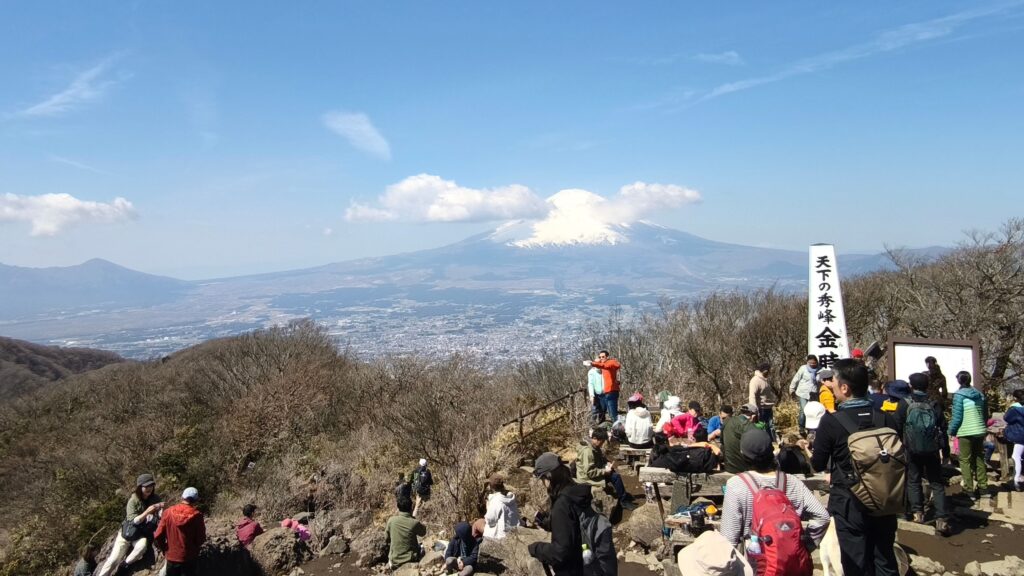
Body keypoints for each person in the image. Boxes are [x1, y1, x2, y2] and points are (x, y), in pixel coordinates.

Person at [811, 359, 901, 576]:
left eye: (833, 381)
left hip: (850, 500)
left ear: (845, 387)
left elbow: (818, 463)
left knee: (855, 562)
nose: (830, 385)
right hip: (885, 498)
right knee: (885, 558)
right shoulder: (885, 418)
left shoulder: (832, 422)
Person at [721, 429, 829, 567]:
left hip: (756, 565)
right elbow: (823, 517)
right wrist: (805, 545)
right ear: (772, 451)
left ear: (742, 454)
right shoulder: (791, 481)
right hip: (792, 563)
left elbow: (729, 538)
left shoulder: (736, 485)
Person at [897, 373, 950, 535]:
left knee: (913, 480)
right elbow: (943, 427)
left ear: (911, 385)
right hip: (932, 449)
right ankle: (941, 519)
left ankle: (917, 514)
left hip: (911, 448)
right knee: (937, 482)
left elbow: (898, 426)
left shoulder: (905, 403)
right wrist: (945, 451)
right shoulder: (934, 404)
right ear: (927, 386)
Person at [528, 452, 590, 576]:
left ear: (549, 477)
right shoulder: (577, 492)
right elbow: (573, 525)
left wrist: (537, 548)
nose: (542, 483)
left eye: (543, 479)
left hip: (572, 568)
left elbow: (560, 552)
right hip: (585, 556)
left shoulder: (562, 504)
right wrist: (549, 523)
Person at [97, 473, 164, 576]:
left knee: (141, 547)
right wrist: (147, 512)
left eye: (151, 486)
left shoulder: (155, 498)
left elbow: (160, 513)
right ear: (140, 487)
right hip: (127, 533)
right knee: (113, 560)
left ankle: (125, 564)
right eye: (146, 486)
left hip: (140, 533)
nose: (149, 489)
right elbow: (134, 521)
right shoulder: (133, 501)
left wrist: (161, 511)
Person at [948, 371, 989, 500]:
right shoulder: (979, 395)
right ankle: (983, 488)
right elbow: (984, 414)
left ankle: (968, 490)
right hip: (979, 430)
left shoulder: (959, 395)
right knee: (979, 458)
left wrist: (951, 431)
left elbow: (957, 417)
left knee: (965, 460)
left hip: (966, 431)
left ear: (959, 381)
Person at [576, 428, 637, 510]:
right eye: (601, 441)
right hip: (586, 478)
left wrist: (607, 463)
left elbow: (601, 458)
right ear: (594, 438)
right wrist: (604, 471)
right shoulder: (588, 452)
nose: (602, 444)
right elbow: (589, 472)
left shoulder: (594, 446)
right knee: (616, 477)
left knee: (613, 473)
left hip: (592, 472)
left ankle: (623, 495)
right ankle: (623, 501)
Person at [154, 487, 207, 576]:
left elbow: (158, 535)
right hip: (189, 558)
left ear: (182, 497)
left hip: (172, 556)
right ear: (195, 500)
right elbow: (201, 538)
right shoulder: (197, 516)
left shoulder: (168, 512)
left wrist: (165, 549)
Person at [386, 496, 426, 568]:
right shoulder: (414, 523)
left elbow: (387, 539)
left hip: (394, 561)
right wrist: (416, 506)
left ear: (398, 508)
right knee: (422, 546)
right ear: (411, 508)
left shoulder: (391, 521)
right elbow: (423, 532)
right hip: (411, 559)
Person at [722, 404, 758, 474]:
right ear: (753, 416)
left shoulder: (727, 421)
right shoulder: (749, 426)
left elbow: (722, 441)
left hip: (728, 467)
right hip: (744, 469)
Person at [588, 351, 622, 423]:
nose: (601, 359)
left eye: (603, 357)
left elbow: (615, 365)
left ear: (607, 357)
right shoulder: (593, 371)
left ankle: (618, 430)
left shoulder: (609, 363)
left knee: (612, 413)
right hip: (601, 393)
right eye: (600, 357)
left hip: (610, 392)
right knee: (599, 412)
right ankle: (600, 429)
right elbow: (590, 384)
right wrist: (592, 395)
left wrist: (592, 363)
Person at [483, 475, 521, 539]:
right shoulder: (511, 497)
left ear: (491, 487)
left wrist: (488, 507)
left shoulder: (496, 500)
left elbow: (490, 521)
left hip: (500, 537)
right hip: (513, 533)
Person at [790, 355, 819, 435]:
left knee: (812, 411)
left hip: (814, 393)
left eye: (814, 363)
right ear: (807, 362)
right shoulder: (803, 368)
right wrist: (792, 389)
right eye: (810, 363)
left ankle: (810, 428)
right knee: (804, 410)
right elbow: (796, 379)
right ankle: (801, 427)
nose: (812, 364)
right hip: (803, 392)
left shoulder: (820, 369)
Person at [1003, 389, 1024, 492]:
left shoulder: (1015, 409)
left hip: (1020, 436)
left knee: (1016, 457)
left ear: (1015, 398)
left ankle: (1016, 482)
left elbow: (1007, 418)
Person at [749, 362, 776, 441]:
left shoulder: (765, 380)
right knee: (763, 427)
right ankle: (764, 442)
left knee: (770, 426)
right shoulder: (755, 380)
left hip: (768, 407)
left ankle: (772, 442)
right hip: (761, 408)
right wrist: (754, 411)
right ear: (765, 371)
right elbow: (752, 396)